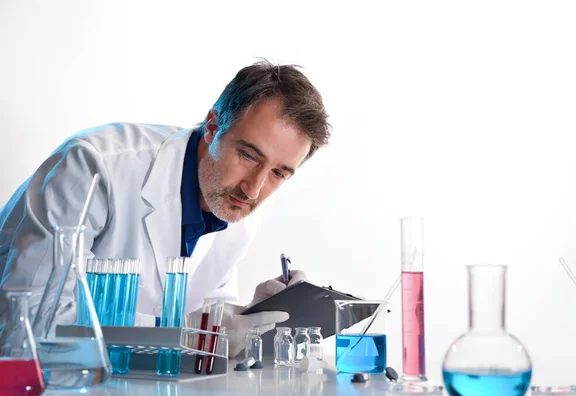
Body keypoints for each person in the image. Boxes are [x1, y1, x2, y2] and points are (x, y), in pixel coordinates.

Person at [0, 60, 331, 357]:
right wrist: (191, 335)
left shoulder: (237, 209)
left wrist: (252, 315)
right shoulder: (94, 166)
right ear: (213, 127)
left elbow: (202, 312)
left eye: (278, 173)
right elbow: (27, 324)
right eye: (248, 156)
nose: (254, 188)